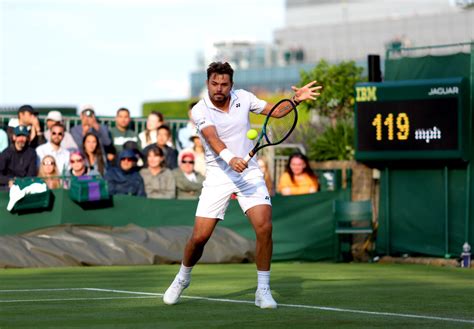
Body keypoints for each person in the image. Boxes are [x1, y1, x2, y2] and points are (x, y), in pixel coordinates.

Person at [162, 62, 320, 308]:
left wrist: (296, 100)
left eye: (224, 84)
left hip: (249, 174)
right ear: (207, 83)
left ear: (231, 85)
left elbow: (276, 112)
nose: (219, 88)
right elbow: (213, 138)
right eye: (214, 83)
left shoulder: (244, 98)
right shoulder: (200, 110)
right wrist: (230, 158)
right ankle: (182, 277)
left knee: (264, 227)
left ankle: (263, 290)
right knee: (199, 237)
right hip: (218, 176)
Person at [0, 125, 37, 190]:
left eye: (24, 136)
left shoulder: (31, 153)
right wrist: (8, 180)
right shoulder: (6, 153)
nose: (21, 139)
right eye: (18, 136)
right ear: (14, 137)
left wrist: (20, 182)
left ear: (27, 138)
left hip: (26, 186)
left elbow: (31, 174)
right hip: (8, 186)